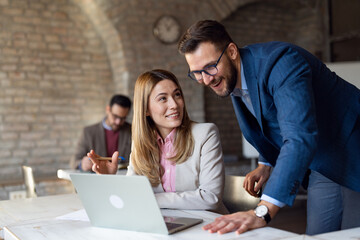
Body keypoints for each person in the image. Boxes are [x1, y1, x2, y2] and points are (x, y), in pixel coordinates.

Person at [177, 20, 360, 235]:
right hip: (323, 157)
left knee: (350, 233)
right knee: (318, 234)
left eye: (209, 67)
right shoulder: (233, 77)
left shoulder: (281, 63)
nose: (205, 80)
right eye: (196, 73)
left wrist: (262, 212)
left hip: (352, 144)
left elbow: (299, 136)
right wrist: (266, 162)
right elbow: (273, 119)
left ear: (232, 51)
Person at [88, 69, 228, 214]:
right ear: (146, 109)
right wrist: (109, 178)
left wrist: (152, 199)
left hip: (208, 226)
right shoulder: (141, 144)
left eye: (177, 95)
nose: (174, 104)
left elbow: (211, 198)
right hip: (165, 224)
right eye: (163, 98)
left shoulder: (205, 134)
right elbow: (131, 196)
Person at [70, 94, 132, 172]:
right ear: (108, 109)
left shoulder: (132, 131)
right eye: (115, 116)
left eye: (123, 118)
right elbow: (74, 161)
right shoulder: (88, 132)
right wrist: (82, 164)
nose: (118, 122)